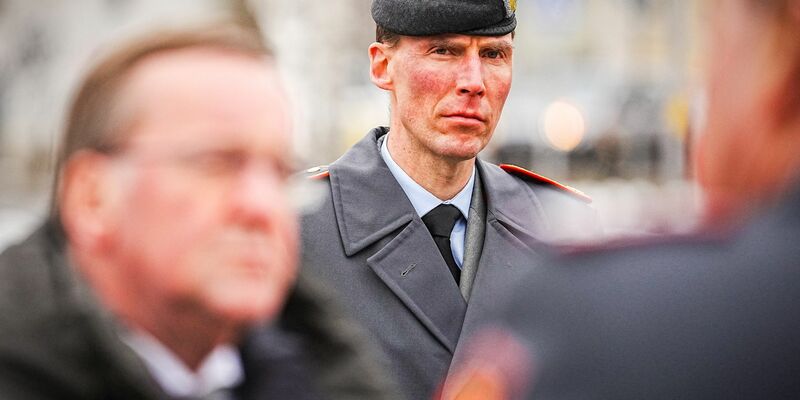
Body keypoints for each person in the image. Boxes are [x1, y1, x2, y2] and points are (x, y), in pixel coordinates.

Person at [0, 25, 396, 400]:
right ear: (92, 197)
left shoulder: (325, 374)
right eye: (215, 164)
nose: (261, 207)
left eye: (280, 173)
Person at [445, 0, 800, 398]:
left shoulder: (595, 317)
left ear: (784, 46)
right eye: (443, 51)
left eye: (716, 41)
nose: (473, 82)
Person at [300, 1, 596, 399]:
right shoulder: (299, 232)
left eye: (493, 54)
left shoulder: (562, 229)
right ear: (382, 66)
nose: (474, 82)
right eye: (444, 51)